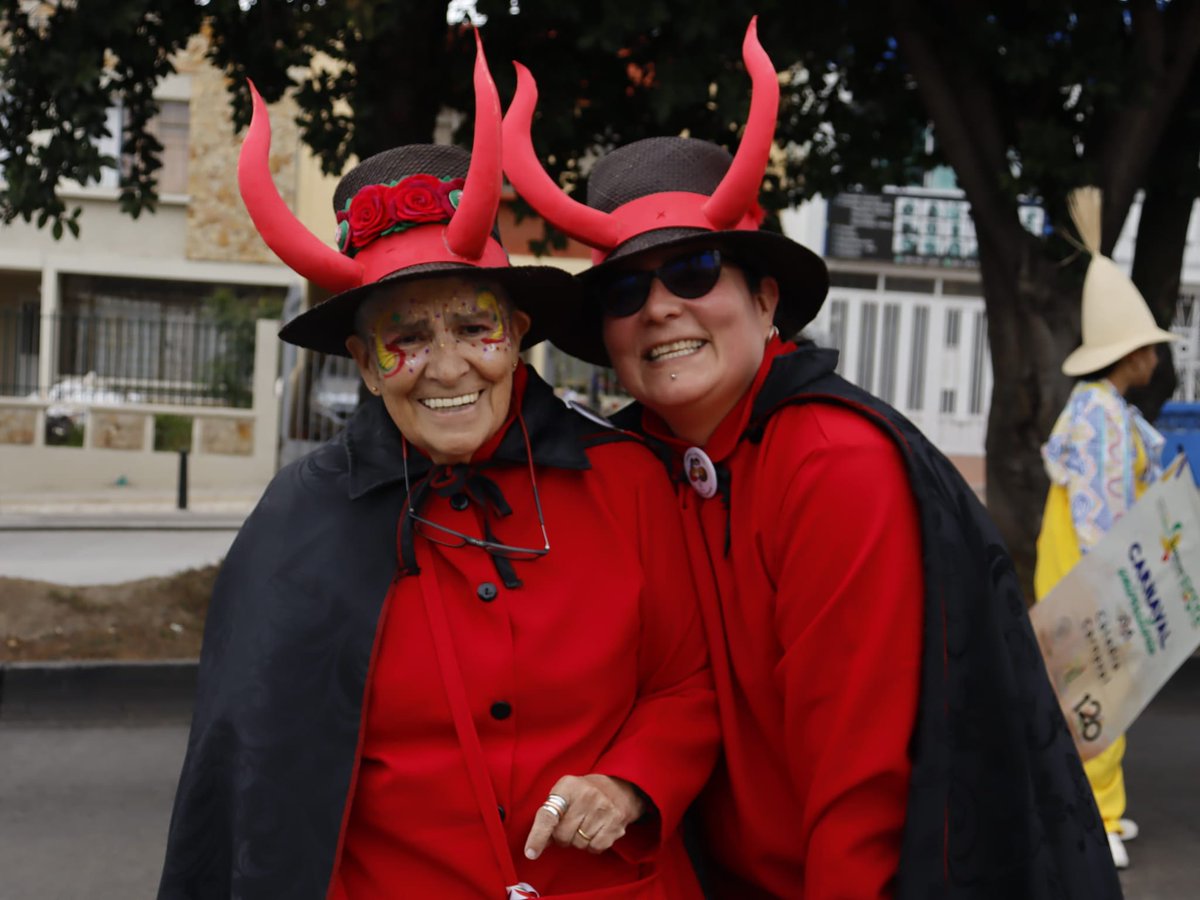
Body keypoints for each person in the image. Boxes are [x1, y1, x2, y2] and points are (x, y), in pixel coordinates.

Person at [502, 17, 1123, 900]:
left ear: (764, 300)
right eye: (628, 288)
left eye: (695, 271)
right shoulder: (637, 459)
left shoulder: (831, 461)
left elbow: (861, 780)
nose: (659, 309)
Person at [159, 37, 718, 900]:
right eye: (406, 339)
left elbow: (690, 683)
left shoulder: (629, 480)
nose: (448, 367)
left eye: (473, 326)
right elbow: (252, 773)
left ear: (519, 330)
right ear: (365, 361)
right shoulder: (298, 518)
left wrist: (633, 780)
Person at [1035, 187, 1181, 871]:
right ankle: (1095, 817)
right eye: (1149, 347)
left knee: (1086, 695)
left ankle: (1091, 812)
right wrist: (1115, 588)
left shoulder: (1099, 411)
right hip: (1090, 575)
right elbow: (1102, 509)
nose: (1156, 357)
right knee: (1095, 694)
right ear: (1132, 357)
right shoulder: (1100, 416)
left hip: (1083, 571)